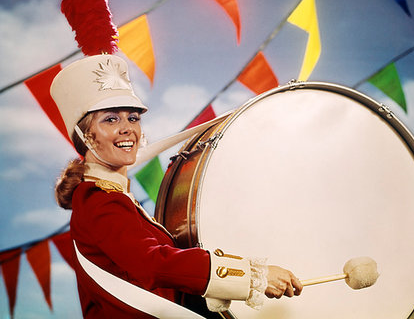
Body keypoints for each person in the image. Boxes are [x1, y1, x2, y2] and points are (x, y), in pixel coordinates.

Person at [50, 54, 302, 318]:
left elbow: (157, 282)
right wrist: (252, 277)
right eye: (111, 119)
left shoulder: (115, 197)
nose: (127, 129)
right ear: (85, 136)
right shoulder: (97, 199)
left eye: (133, 118)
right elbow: (152, 264)